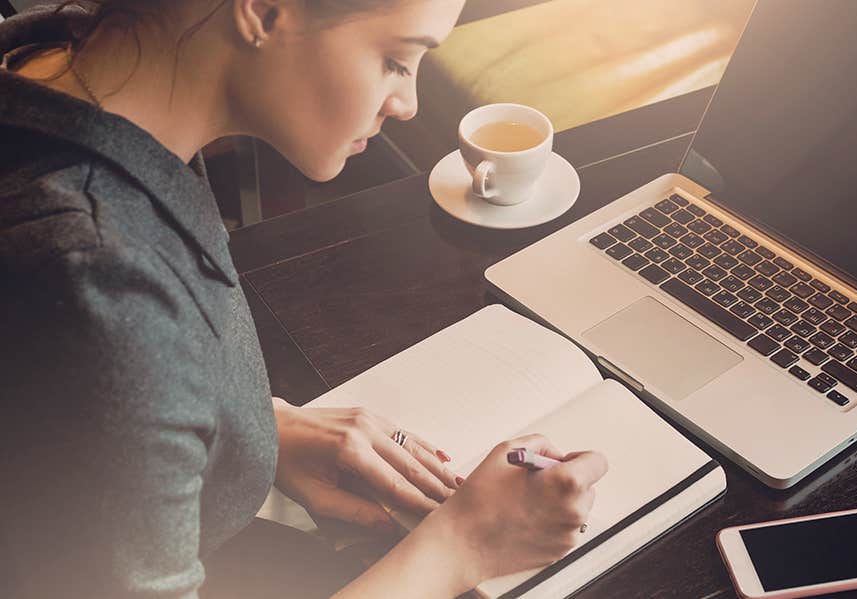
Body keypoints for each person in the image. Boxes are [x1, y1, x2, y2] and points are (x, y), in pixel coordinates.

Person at [0, 1, 608, 598]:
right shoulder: (94, 282)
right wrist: (466, 544)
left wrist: (245, 426)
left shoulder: (56, 60)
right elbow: (100, 336)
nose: (409, 102)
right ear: (263, 13)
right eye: (397, 60)